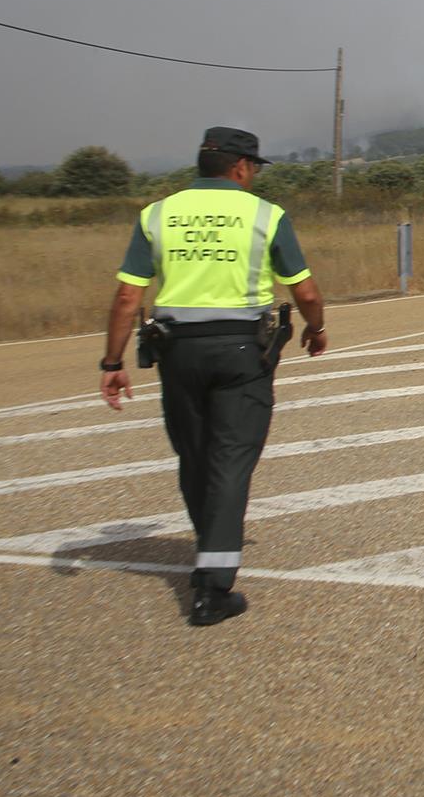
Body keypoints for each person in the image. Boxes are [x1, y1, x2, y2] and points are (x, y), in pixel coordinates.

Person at [99, 126, 327, 626]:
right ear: (242, 167)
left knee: (195, 454)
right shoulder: (265, 214)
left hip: (177, 353)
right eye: (254, 169)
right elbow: (305, 292)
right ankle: (213, 588)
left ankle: (211, 543)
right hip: (243, 353)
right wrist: (317, 328)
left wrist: (113, 363)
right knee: (231, 458)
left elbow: (126, 298)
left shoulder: (157, 214)